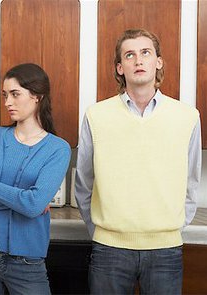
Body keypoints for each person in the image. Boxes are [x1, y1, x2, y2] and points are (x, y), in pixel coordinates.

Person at [75, 29, 202, 295]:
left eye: (146, 52)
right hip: (109, 250)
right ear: (120, 68)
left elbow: (192, 181)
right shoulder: (96, 115)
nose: (138, 60)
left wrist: (171, 228)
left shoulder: (187, 116)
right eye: (129, 55)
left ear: (158, 62)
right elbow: (83, 183)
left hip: (165, 250)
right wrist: (101, 230)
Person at [0, 63, 71, 294]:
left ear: (37, 96)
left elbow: (33, 206)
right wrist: (26, 200)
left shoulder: (58, 149)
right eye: (5, 95)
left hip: (27, 260)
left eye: (15, 94)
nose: (7, 102)